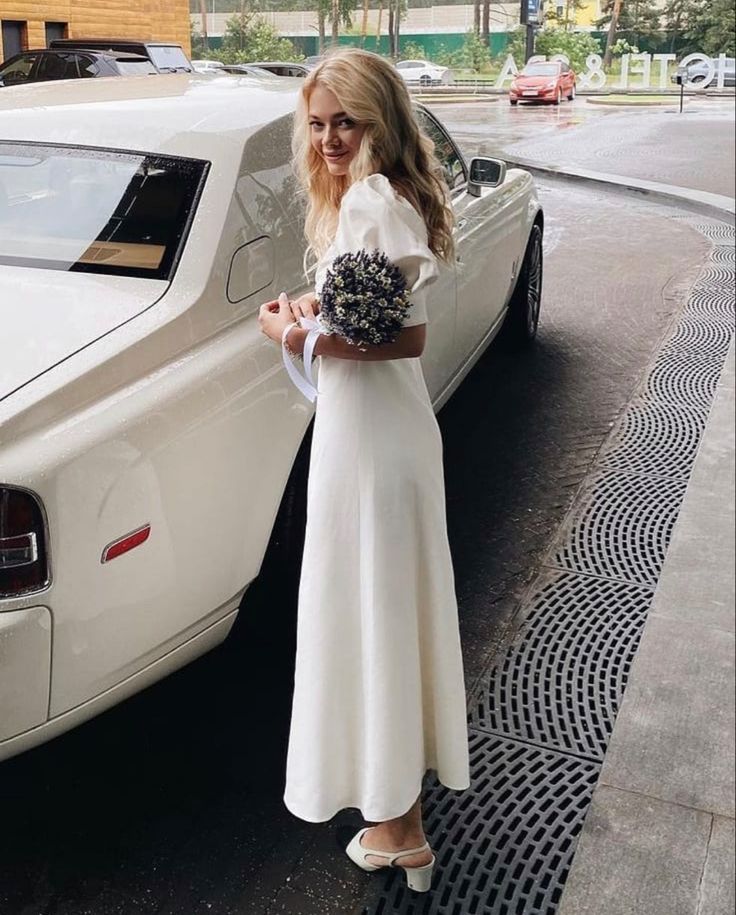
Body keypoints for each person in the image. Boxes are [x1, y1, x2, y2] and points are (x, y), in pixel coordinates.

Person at [258, 47, 470, 894]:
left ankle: (400, 825)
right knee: (384, 609)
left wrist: (289, 334)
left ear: (380, 119)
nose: (330, 138)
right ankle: (399, 823)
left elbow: (406, 335)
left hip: (374, 440)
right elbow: (375, 314)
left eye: (346, 120)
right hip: (378, 428)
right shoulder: (368, 200)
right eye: (317, 124)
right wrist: (319, 307)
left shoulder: (372, 202)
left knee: (373, 608)